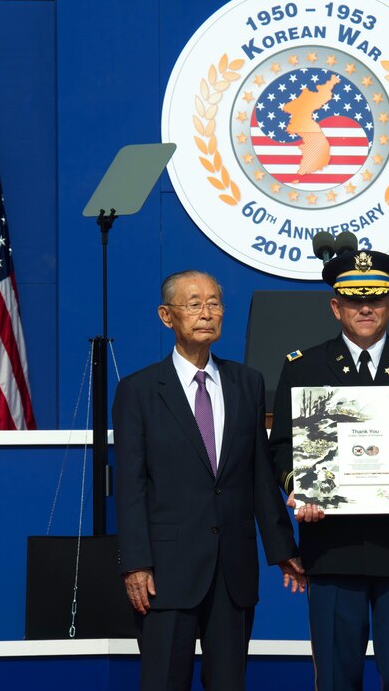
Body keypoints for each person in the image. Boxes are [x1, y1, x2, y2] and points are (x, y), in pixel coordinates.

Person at [269, 247, 389, 691]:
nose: (365, 308)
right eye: (354, 299)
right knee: (337, 681)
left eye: (375, 299)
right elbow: (281, 445)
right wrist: (301, 487)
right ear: (335, 306)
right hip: (332, 547)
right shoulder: (303, 368)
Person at [113, 270, 305, 691]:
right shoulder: (139, 391)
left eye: (215, 303)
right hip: (165, 572)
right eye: (194, 303)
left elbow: (257, 475)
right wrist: (136, 563)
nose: (207, 313)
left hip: (232, 572)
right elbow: (130, 486)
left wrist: (282, 547)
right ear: (167, 316)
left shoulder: (246, 383)